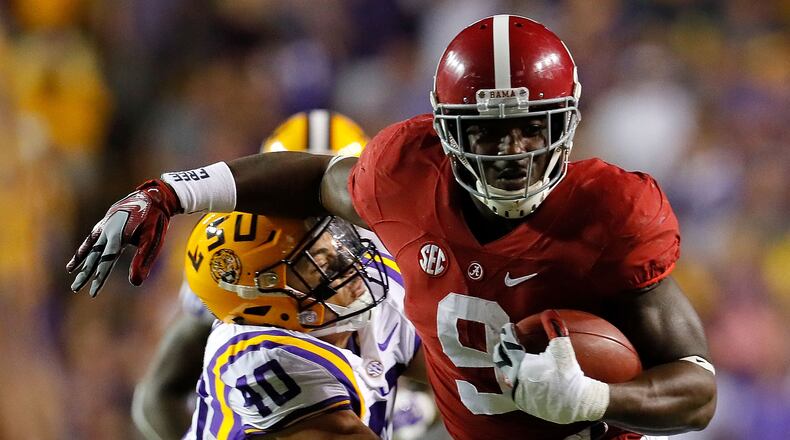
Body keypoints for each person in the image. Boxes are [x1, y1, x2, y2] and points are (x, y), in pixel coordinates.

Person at [69, 15, 717, 440]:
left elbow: (696, 389)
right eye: (488, 133)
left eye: (531, 128)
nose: (512, 154)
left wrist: (595, 397)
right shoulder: (268, 351)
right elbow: (160, 395)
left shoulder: (611, 211)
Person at [131, 109, 374, 440]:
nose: (319, 210)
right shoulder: (244, 268)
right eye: (301, 186)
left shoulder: (392, 248)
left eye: (332, 189)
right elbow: (160, 391)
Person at [185, 211, 423, 439]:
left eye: (340, 244)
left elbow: (447, 377)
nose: (351, 265)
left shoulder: (380, 294)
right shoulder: (261, 357)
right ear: (267, 297)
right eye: (321, 264)